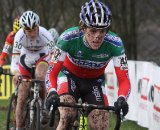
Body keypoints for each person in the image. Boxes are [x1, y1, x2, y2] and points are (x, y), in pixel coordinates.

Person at [45, 0, 130, 130]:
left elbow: (124, 79)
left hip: (94, 82)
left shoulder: (115, 44)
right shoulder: (67, 38)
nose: (98, 36)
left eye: (102, 31)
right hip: (69, 77)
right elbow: (51, 72)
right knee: (67, 115)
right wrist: (52, 92)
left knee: (101, 125)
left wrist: (122, 99)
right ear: (83, 27)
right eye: (93, 30)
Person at [11, 10, 55, 130]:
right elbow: (14, 60)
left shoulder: (45, 34)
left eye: (34, 29)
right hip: (26, 58)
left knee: (41, 75)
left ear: (38, 26)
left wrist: (51, 70)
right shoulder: (19, 36)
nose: (32, 33)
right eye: (28, 31)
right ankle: (19, 127)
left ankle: (45, 105)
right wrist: (16, 73)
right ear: (23, 29)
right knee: (22, 94)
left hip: (42, 56)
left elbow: (54, 55)